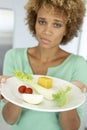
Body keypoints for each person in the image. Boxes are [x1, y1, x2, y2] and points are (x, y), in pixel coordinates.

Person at [0, 0, 87, 130]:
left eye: (57, 24)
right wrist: (13, 91)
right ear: (34, 21)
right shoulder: (13, 57)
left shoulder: (78, 64)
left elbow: (71, 128)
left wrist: (70, 98)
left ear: (67, 29)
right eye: (42, 22)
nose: (47, 31)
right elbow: (9, 120)